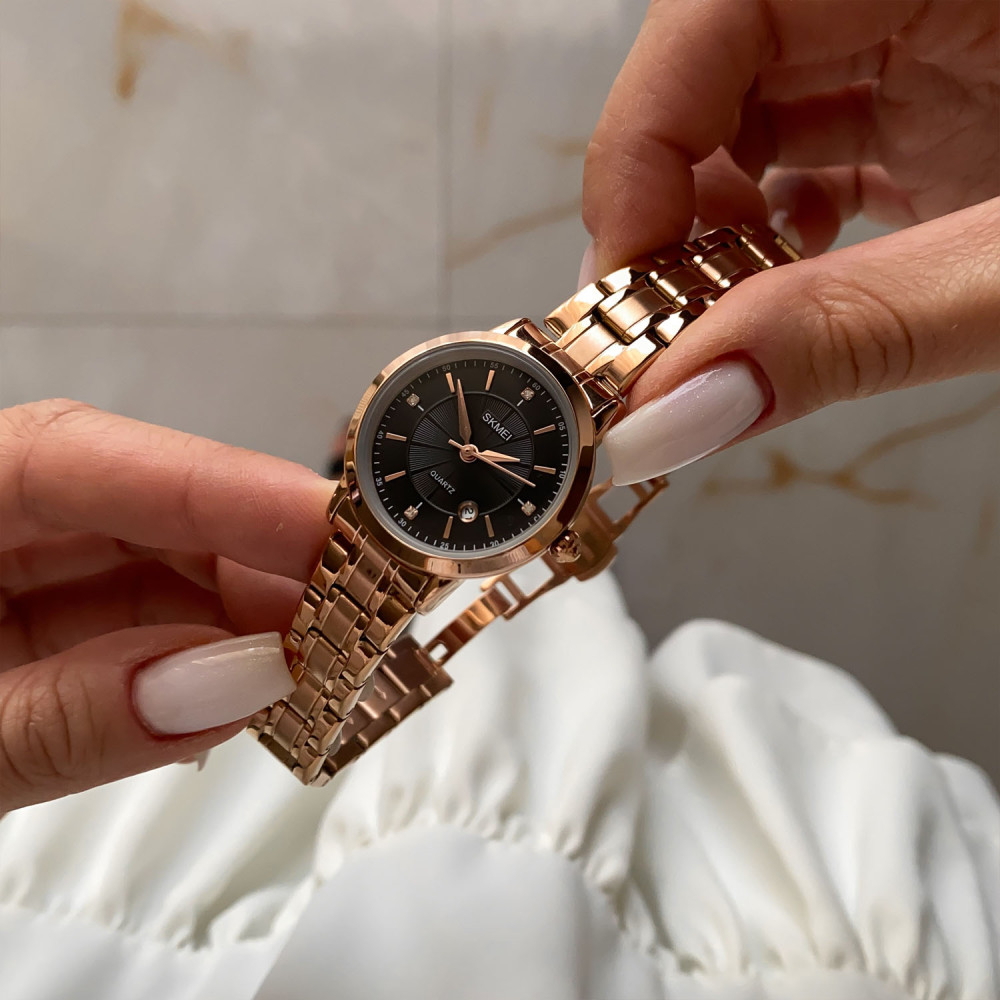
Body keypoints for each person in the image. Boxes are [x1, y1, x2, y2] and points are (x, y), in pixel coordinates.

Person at [0, 0, 996, 812]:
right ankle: (337, 664)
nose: (471, 448)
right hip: (445, 513)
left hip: (486, 507)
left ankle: (359, 595)